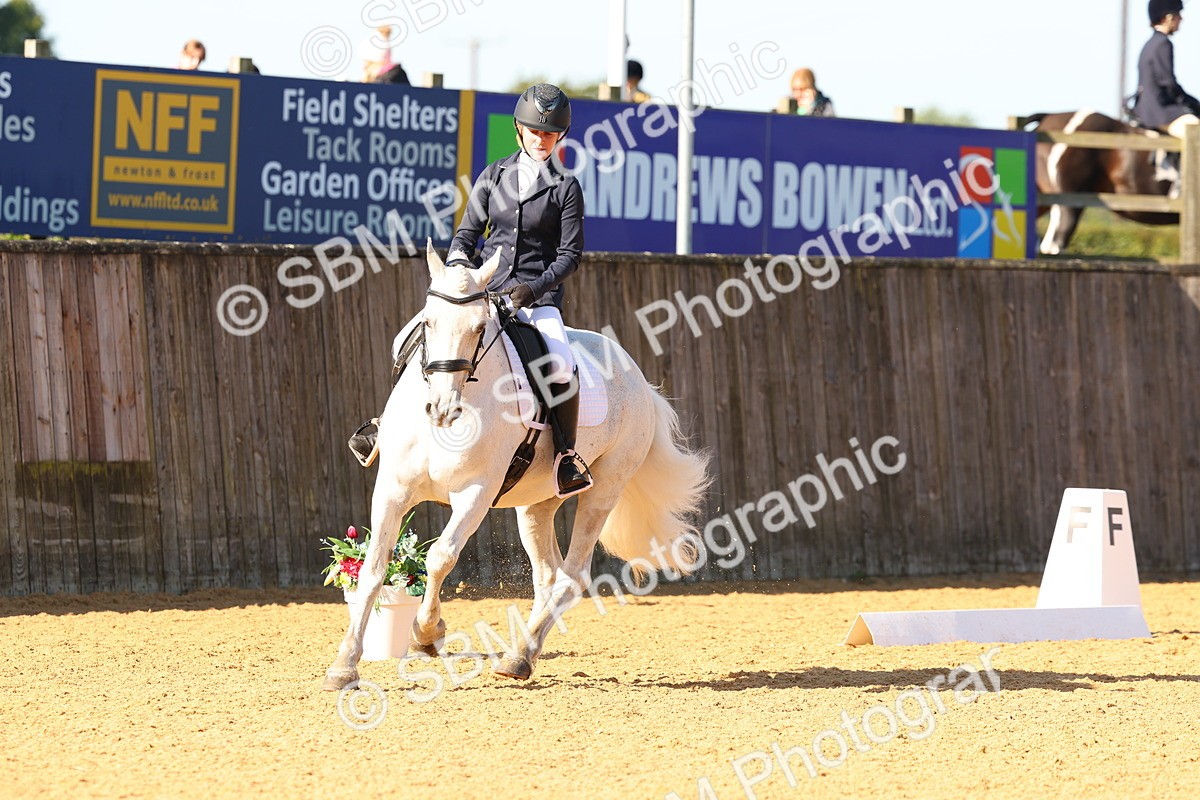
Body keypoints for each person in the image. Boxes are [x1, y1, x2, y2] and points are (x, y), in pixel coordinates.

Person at [348, 84, 592, 499]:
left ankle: (566, 456)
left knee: (562, 364)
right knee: (410, 337)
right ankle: (384, 426)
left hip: (535, 299)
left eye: (549, 134)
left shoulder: (565, 187)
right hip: (483, 291)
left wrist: (532, 290)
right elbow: (465, 235)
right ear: (519, 129)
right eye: (534, 131)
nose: (541, 139)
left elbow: (570, 255)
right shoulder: (493, 176)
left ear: (560, 137)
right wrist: (461, 268)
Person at [1134, 0, 1199, 193]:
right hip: (1161, 112)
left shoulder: (1150, 44)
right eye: (1179, 15)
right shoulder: (1163, 44)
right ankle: (1185, 183)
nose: (1181, 19)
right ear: (1168, 18)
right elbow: (1168, 83)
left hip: (1146, 108)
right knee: (1196, 130)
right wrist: (1193, 103)